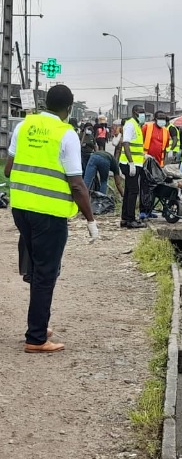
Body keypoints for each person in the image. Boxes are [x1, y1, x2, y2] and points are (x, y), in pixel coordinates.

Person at [3, 84, 99, 353]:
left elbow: (9, 170)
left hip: (21, 209)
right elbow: (77, 185)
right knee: (46, 273)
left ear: (45, 103)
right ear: (69, 109)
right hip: (49, 214)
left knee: (37, 270)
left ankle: (38, 324)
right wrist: (91, 221)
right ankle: (36, 338)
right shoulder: (66, 134)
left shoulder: (23, 126)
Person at [118, 105, 147, 229]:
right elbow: (125, 143)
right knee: (134, 190)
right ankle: (130, 219)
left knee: (129, 190)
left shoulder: (137, 125)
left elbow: (136, 147)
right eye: (142, 112)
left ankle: (125, 218)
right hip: (130, 164)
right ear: (135, 112)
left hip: (135, 163)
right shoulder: (130, 124)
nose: (143, 115)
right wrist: (131, 163)